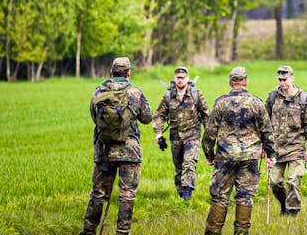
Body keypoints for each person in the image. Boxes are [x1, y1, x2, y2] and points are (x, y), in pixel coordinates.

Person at [80, 57, 153, 235]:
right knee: (127, 195)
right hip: (129, 150)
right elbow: (147, 118)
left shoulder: (98, 91)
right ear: (129, 73)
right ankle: (122, 231)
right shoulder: (136, 92)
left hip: (104, 150)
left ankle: (89, 230)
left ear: (111, 72)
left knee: (98, 193)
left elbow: (94, 117)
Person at [202, 67, 276, 235]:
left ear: (230, 83)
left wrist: (209, 155)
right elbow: (267, 131)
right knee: (244, 197)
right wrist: (271, 154)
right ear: (246, 81)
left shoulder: (220, 103)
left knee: (220, 197)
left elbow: (209, 134)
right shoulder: (256, 103)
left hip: (225, 157)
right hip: (249, 157)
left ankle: (213, 233)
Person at [266, 65, 307, 216]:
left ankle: (293, 212)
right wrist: (263, 146)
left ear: (292, 78)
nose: (283, 83)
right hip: (276, 149)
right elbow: (264, 122)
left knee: (293, 180)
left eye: (285, 79)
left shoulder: (302, 99)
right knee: (274, 182)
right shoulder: (272, 97)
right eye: (280, 80)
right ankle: (284, 203)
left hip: (296, 147)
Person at [152, 66, 209, 200]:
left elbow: (206, 115)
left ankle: (187, 193)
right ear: (174, 79)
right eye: (178, 78)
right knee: (179, 168)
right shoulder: (168, 96)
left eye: (183, 78)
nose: (180, 80)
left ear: (187, 79)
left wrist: (210, 134)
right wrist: (158, 133)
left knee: (189, 163)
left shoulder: (196, 94)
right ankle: (181, 194)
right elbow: (159, 115)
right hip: (175, 136)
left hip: (192, 135)